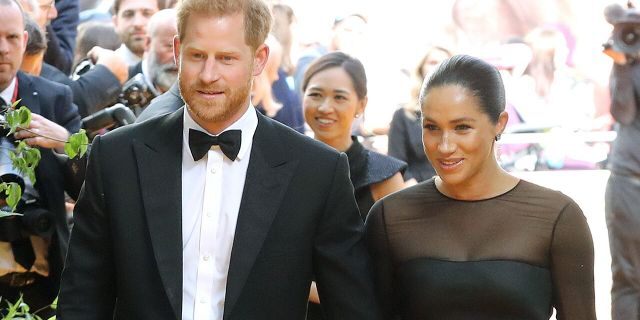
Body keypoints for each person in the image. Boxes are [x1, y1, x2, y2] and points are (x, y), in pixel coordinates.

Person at [57, 0, 382, 319]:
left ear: (258, 59)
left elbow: (352, 306)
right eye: (197, 56)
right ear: (176, 50)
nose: (208, 75)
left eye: (226, 58)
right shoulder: (117, 158)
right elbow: (82, 299)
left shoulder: (317, 173)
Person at [365, 55, 596, 319]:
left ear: (500, 123)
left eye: (462, 127)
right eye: (431, 127)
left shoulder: (557, 217)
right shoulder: (390, 217)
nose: (445, 145)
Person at [301, 51, 406, 320]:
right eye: (315, 94)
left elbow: (400, 267)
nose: (325, 107)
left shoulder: (382, 176)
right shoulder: (282, 166)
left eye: (339, 97)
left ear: (361, 104)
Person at [0, 0, 83, 315]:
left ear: (24, 42)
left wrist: (66, 143)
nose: (2, 49)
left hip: (44, 284)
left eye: (10, 38)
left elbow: (91, 186)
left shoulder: (53, 97)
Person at [388, 46, 451, 185]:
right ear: (421, 68)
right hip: (417, 189)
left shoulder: (463, 114)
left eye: (445, 62)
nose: (439, 67)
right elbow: (395, 161)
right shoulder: (403, 116)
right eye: (433, 62)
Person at [111, 0, 159, 66]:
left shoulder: (176, 66)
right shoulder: (104, 72)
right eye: (128, 14)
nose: (138, 23)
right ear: (116, 23)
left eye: (147, 13)